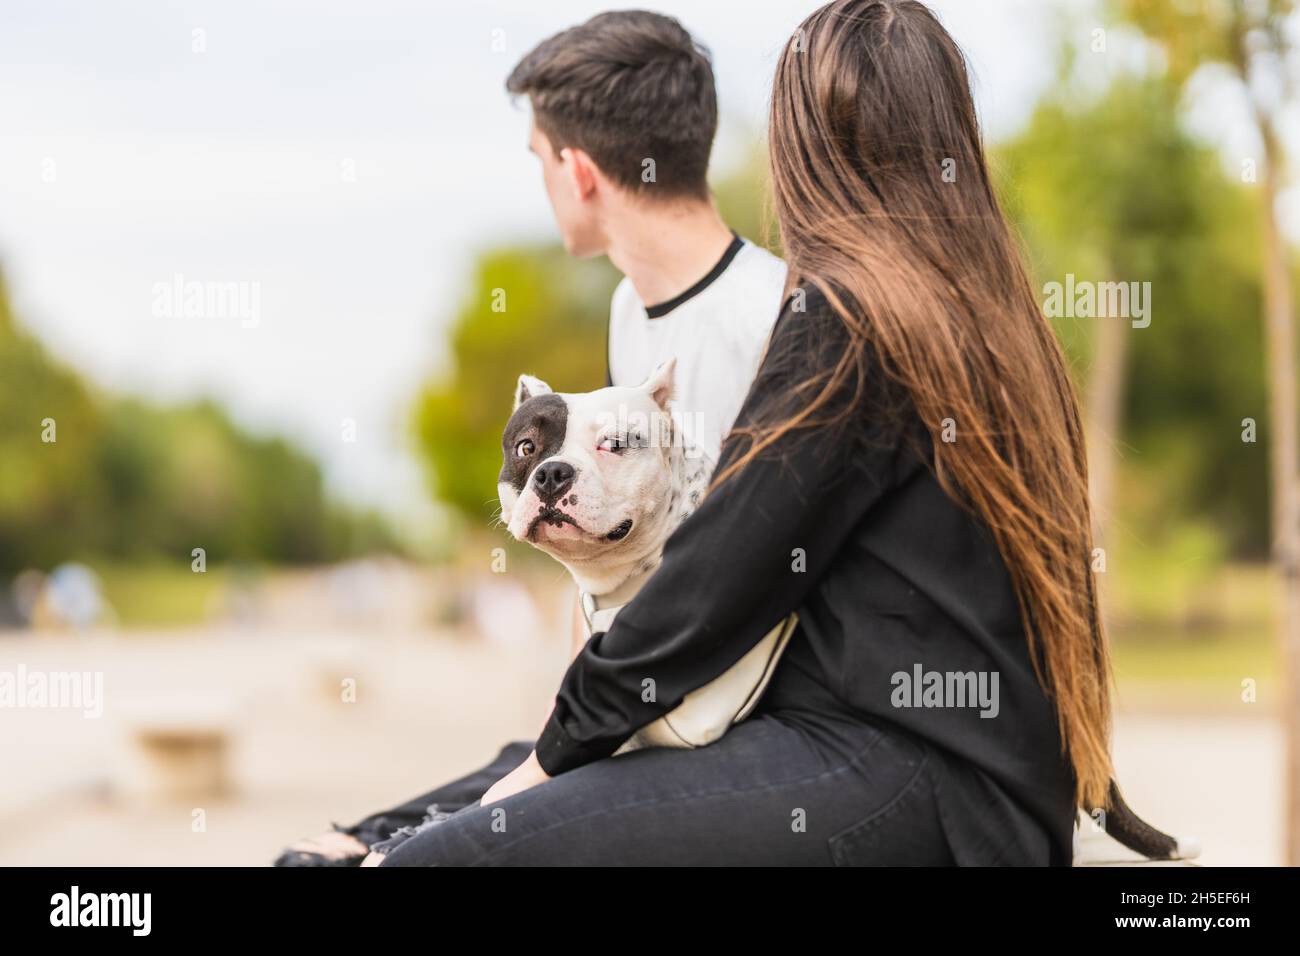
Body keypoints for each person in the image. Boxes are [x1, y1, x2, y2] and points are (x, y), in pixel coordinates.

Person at [377, 0, 1115, 867]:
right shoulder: (992, 314)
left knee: (444, 860)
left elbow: (721, 574)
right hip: (971, 782)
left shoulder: (844, 314)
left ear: (803, 140)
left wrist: (543, 760)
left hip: (905, 773)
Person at [274, 10, 785, 867]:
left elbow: (750, 569)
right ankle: (354, 838)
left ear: (578, 171)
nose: (541, 183)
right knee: (360, 835)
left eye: (538, 162)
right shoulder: (632, 311)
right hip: (647, 699)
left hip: (739, 723)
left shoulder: (771, 314)